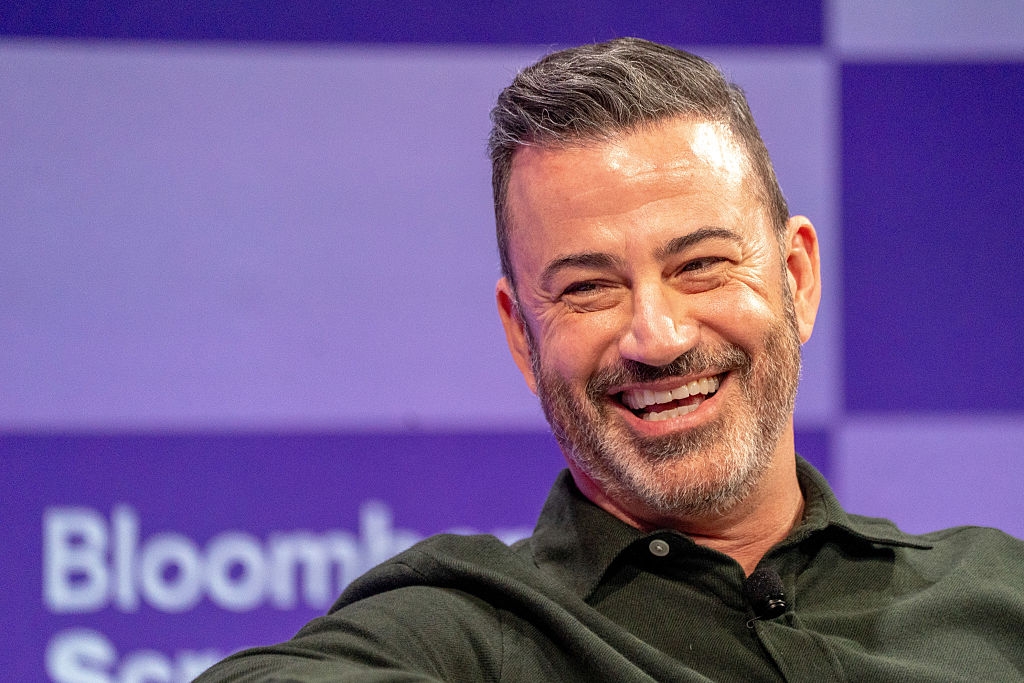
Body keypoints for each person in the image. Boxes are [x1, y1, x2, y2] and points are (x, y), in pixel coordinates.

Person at [197, 38, 1024, 681]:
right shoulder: (462, 633)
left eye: (700, 264)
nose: (657, 336)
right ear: (523, 336)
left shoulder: (995, 593)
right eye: (590, 288)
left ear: (797, 278)